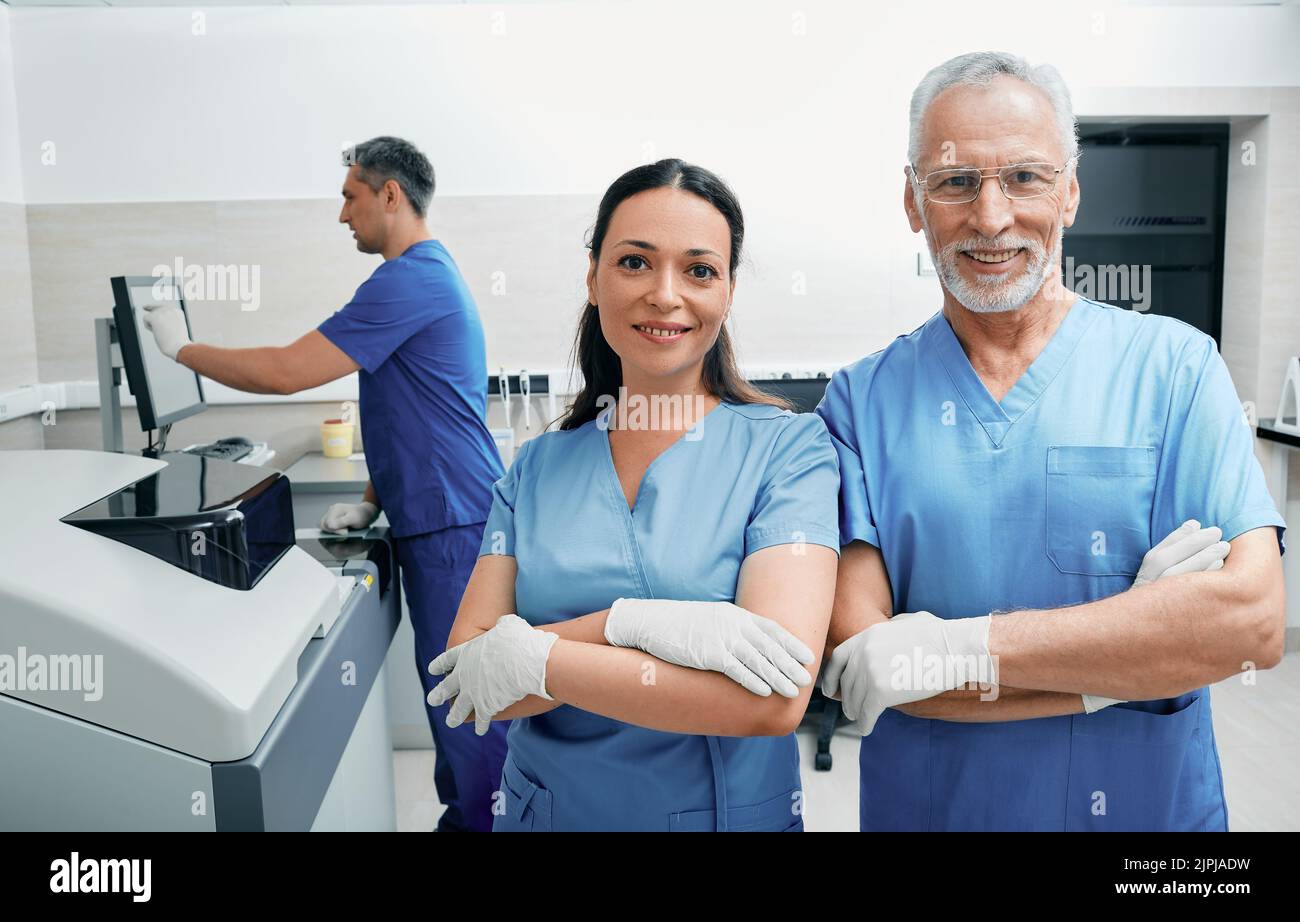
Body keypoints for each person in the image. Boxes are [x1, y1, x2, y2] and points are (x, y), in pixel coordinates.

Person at [817, 52, 1286, 831]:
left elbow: (1251, 625)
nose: (992, 216)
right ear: (912, 200)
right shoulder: (860, 403)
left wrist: (958, 647)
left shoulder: (1174, 368)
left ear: (1070, 189)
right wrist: (1126, 661)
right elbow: (868, 668)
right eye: (956, 180)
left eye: (1025, 177)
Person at [425, 159, 841, 831]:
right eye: (635, 262)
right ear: (593, 277)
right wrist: (629, 624)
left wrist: (538, 655)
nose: (665, 294)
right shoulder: (535, 470)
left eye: (700, 270)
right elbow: (472, 681)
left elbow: (774, 701)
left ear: (729, 291)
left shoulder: (788, 451)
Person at [141, 136, 508, 832]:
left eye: (350, 196)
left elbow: (285, 371)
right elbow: (418, 409)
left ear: (389, 195)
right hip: (443, 517)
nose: (343, 215)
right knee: (452, 697)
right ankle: (465, 819)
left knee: (468, 704)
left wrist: (177, 350)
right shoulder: (426, 274)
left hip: (457, 526)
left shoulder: (411, 279)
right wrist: (372, 499)